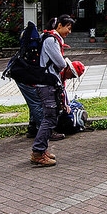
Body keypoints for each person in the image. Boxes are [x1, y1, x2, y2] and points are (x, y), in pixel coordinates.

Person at [30, 15, 75, 167]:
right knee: (49, 118)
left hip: (46, 83)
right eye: (68, 28)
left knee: (50, 117)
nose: (69, 31)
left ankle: (42, 150)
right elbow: (61, 63)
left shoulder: (49, 38)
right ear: (60, 25)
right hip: (46, 84)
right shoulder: (51, 40)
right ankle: (38, 152)